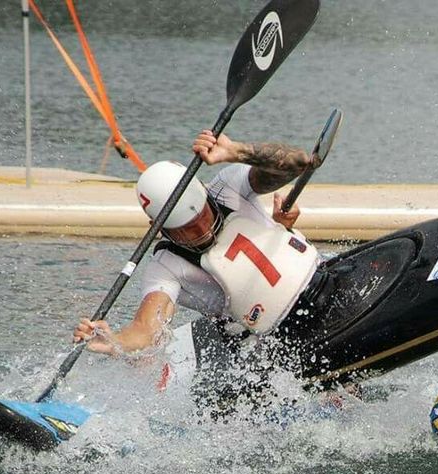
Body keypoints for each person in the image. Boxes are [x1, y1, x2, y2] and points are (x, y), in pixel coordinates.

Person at [73, 129, 323, 359]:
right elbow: (146, 330)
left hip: (320, 279)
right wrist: (114, 340)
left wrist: (236, 152)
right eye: (186, 229)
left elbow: (299, 163)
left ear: (203, 192)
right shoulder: (165, 267)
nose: (202, 230)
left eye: (202, 217)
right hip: (278, 337)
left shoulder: (228, 187)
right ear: (158, 228)